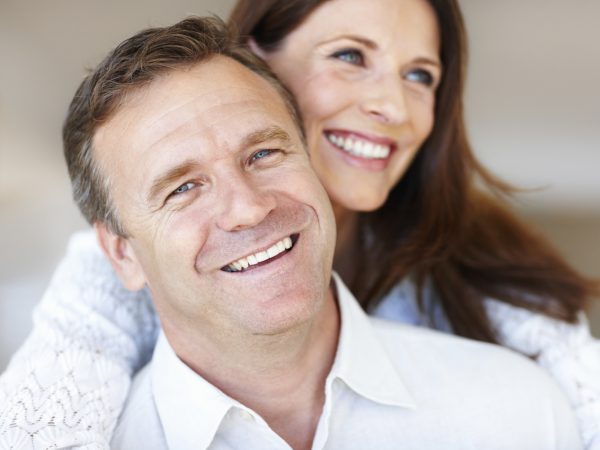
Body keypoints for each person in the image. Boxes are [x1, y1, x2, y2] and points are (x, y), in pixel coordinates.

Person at [0, 0, 598, 448]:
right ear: (256, 63)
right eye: (349, 56)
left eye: (421, 75)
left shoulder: (504, 338)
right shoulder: (104, 279)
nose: (393, 106)